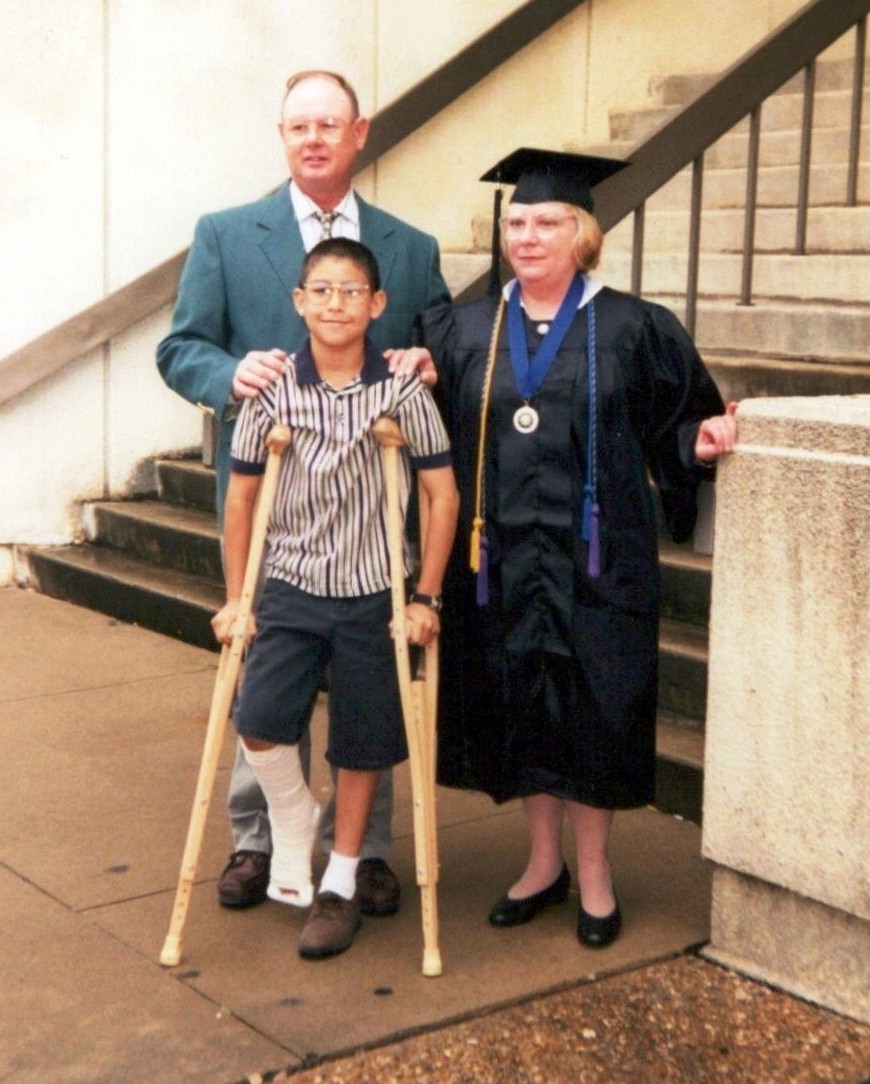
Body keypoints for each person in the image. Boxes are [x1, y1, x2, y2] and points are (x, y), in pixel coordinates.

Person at [410, 148, 738, 949]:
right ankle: (541, 862)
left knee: (594, 710)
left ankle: (594, 873)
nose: (526, 237)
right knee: (522, 704)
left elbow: (678, 420)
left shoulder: (634, 326)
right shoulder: (462, 329)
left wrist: (700, 441)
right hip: (499, 563)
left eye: (547, 222)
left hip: (600, 563)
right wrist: (409, 379)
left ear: (581, 234)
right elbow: (428, 431)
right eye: (516, 223)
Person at [157, 70, 450, 916]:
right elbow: (181, 347)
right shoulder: (224, 233)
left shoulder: (408, 246)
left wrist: (429, 360)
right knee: (265, 676)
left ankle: (366, 852)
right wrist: (228, 373)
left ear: (359, 133)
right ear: (281, 136)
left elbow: (438, 343)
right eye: (298, 126)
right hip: (272, 505)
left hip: (365, 516)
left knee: (370, 686)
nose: (313, 138)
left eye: (329, 124)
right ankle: (261, 838)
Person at [212, 237, 458, 958]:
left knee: (361, 740)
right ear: (299, 301)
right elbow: (241, 499)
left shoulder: (402, 392)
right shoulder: (271, 392)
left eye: (351, 292)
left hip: (373, 592)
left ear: (376, 304)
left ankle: (341, 881)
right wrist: (237, 597)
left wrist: (426, 597)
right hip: (290, 585)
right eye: (321, 290)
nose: (335, 304)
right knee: (258, 718)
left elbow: (441, 494)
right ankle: (293, 817)